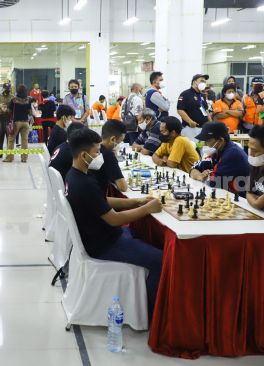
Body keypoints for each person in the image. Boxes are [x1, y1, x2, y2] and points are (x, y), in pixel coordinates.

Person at [64, 127, 163, 317]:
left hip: (99, 236)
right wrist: (146, 209)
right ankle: (151, 315)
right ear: (84, 154)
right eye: (97, 152)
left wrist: (136, 201)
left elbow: (101, 201)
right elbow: (114, 220)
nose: (100, 155)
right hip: (104, 244)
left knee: (141, 234)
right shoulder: (84, 183)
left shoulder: (75, 175)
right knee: (160, 260)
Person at [190, 122, 249, 194]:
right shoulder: (216, 151)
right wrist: (199, 176)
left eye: (208, 140)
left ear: (221, 140)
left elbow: (213, 183)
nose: (205, 144)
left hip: (241, 199)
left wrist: (206, 174)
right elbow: (193, 168)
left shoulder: (232, 153)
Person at [93, 120, 127, 194]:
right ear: (112, 139)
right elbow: (123, 187)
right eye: (120, 141)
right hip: (101, 197)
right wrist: (114, 159)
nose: (120, 144)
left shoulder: (95, 148)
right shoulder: (108, 155)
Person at [177, 74, 211, 139]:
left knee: (200, 148)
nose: (203, 83)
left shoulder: (202, 95)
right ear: (194, 82)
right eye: (201, 81)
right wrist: (190, 121)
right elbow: (180, 110)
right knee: (190, 148)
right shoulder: (185, 94)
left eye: (204, 82)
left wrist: (211, 123)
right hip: (190, 129)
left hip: (202, 128)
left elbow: (206, 110)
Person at [5, 85, 32, 163]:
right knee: (24, 141)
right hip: (25, 122)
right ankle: (24, 158)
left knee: (11, 140)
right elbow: (30, 112)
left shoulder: (13, 100)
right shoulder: (28, 100)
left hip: (16, 122)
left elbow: (9, 111)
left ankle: (9, 158)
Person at [0, 82, 14, 159]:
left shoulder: (12, 97)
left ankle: (9, 154)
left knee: (9, 138)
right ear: (3, 88)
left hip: (9, 120)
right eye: (6, 88)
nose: (7, 90)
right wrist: (0, 106)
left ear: (10, 89)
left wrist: (7, 110)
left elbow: (14, 109)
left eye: (8, 88)